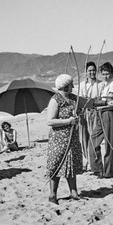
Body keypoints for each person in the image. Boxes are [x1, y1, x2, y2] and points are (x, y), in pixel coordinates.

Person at [46, 74, 82, 204]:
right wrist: (69, 121)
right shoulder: (55, 100)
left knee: (70, 165)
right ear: (65, 86)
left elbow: (89, 103)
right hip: (59, 139)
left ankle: (73, 192)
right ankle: (53, 195)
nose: (73, 86)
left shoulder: (73, 98)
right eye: (71, 84)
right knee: (56, 165)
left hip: (72, 138)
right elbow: (50, 121)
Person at [90, 62, 113, 179]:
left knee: (109, 143)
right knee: (93, 140)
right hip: (100, 112)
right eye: (103, 74)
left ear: (112, 73)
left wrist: (100, 101)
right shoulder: (103, 85)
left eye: (108, 74)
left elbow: (109, 98)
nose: (106, 76)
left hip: (108, 112)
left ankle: (108, 171)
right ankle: (97, 168)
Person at [78, 61, 102, 174]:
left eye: (93, 70)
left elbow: (100, 99)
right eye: (89, 70)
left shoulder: (100, 84)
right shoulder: (82, 85)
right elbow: (80, 99)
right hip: (84, 113)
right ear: (86, 72)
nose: (92, 72)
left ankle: (95, 163)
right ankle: (85, 162)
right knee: (84, 138)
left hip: (95, 113)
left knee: (94, 138)